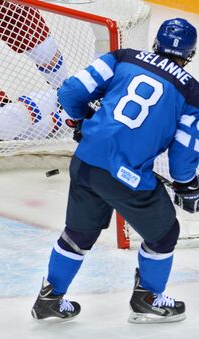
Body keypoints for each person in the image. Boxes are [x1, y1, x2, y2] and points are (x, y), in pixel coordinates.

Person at [31, 18, 198, 323]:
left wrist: (82, 122)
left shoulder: (123, 57)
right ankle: (148, 298)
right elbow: (183, 154)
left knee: (78, 233)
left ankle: (50, 297)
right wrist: (188, 186)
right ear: (190, 54)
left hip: (85, 161)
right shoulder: (191, 93)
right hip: (126, 177)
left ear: (156, 44)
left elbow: (70, 92)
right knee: (165, 235)